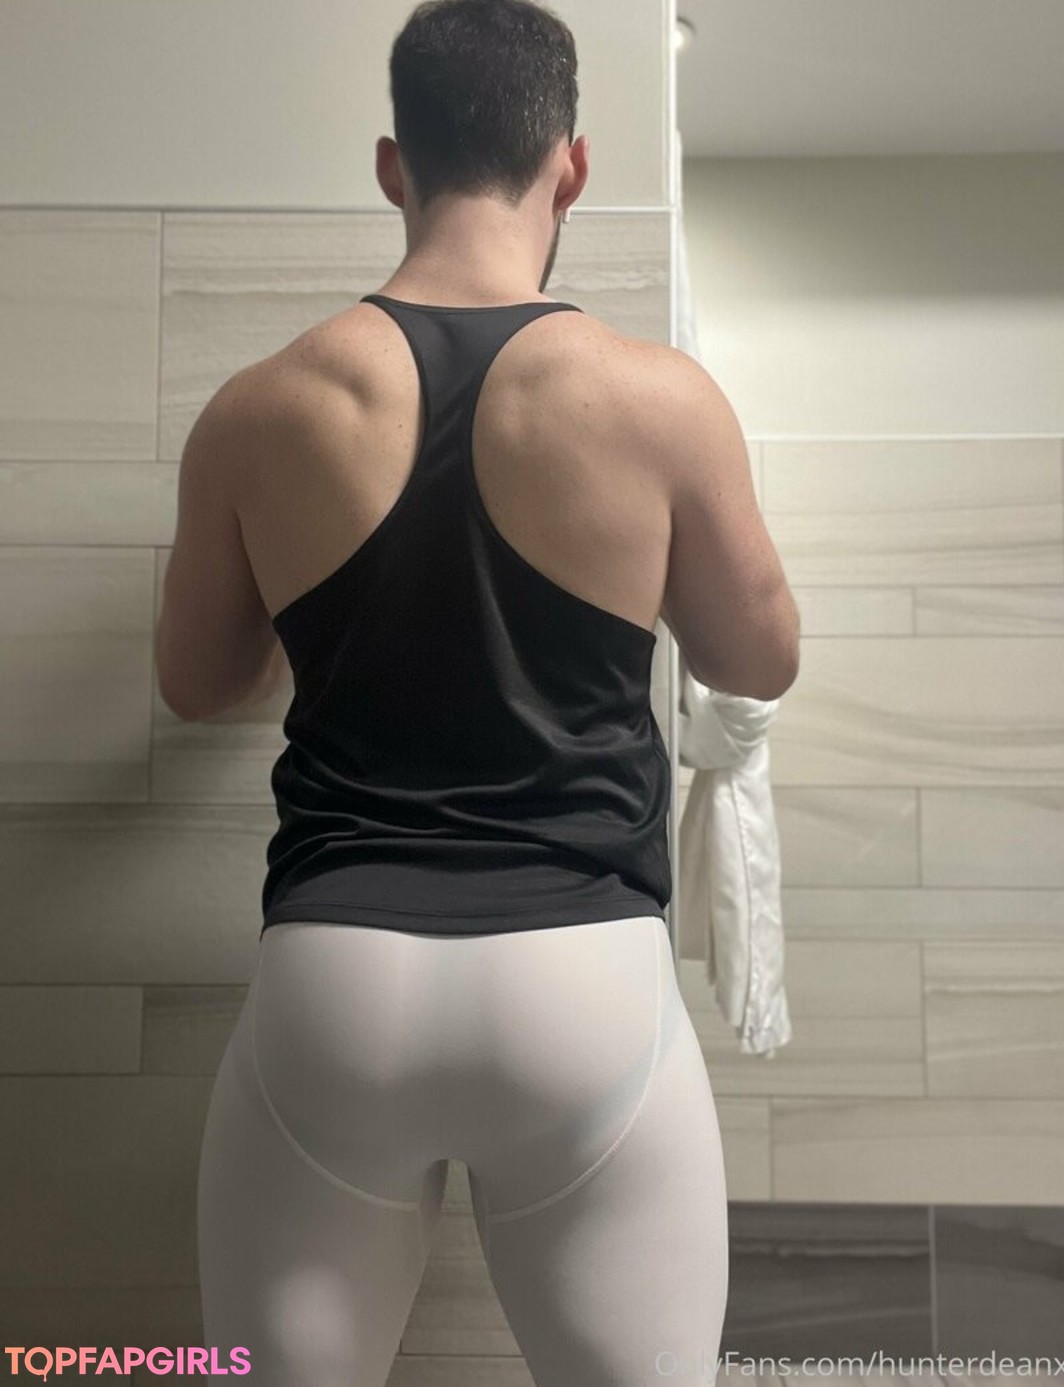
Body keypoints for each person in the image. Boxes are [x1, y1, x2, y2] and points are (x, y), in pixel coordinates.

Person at [192, 0, 800, 1382]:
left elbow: (197, 678)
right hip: (579, 978)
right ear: (569, 167)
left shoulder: (259, 408)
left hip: (336, 981)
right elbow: (759, 659)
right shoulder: (659, 402)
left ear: (393, 165)